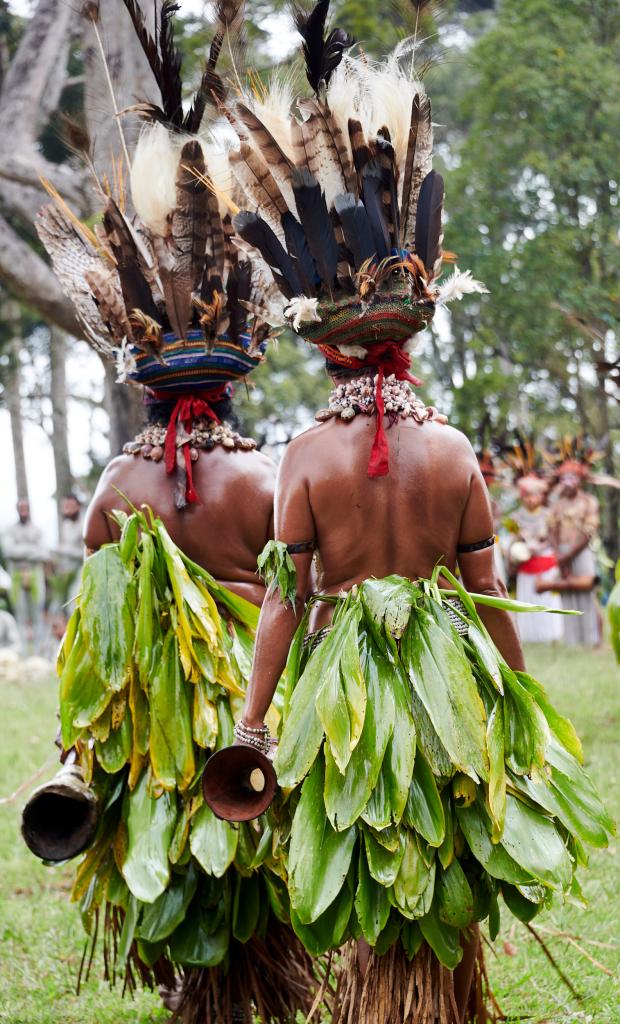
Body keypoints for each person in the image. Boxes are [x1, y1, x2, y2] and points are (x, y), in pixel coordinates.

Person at [220, 17, 613, 1023]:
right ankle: (440, 996)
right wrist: (514, 707)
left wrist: (253, 722)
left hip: (342, 677)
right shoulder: (452, 453)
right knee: (432, 831)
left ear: (329, 346)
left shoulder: (306, 453)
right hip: (444, 671)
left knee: (368, 847)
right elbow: (483, 595)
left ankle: (385, 997)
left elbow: (281, 600)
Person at [32, 3, 318, 1021]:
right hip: (253, 717)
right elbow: (305, 603)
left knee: (187, 873)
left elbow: (82, 634)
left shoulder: (116, 485)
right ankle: (244, 982)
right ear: (236, 379)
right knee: (250, 872)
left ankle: (208, 990)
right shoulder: (264, 479)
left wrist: (78, 742)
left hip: (149, 729)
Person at [548, 460, 601, 646]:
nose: (567, 482)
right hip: (562, 554)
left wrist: (567, 556)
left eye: (571, 477)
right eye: (563, 478)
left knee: (586, 593)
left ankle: (591, 639)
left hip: (581, 553)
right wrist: (558, 556)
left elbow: (588, 532)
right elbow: (552, 530)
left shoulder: (589, 501)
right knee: (567, 593)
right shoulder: (557, 504)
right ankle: (572, 641)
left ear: (579, 479)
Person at [508, 471, 563, 643]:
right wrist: (518, 551)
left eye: (534, 496)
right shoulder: (515, 517)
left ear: (541, 496)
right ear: (522, 497)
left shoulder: (549, 515)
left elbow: (554, 541)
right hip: (526, 565)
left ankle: (551, 634)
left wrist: (539, 547)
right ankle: (528, 634)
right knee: (527, 598)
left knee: (547, 598)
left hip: (546, 563)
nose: (531, 500)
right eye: (527, 496)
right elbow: (513, 541)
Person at [3, 499, 48, 654]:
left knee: (37, 614)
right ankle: (22, 651)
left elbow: (43, 553)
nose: (23, 512)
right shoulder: (10, 530)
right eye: (20, 509)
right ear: (17, 510)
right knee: (20, 614)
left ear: (29, 510)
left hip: (35, 575)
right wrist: (31, 550)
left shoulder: (37, 530)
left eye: (25, 509)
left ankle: (38, 651)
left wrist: (21, 550)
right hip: (16, 576)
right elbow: (9, 551)